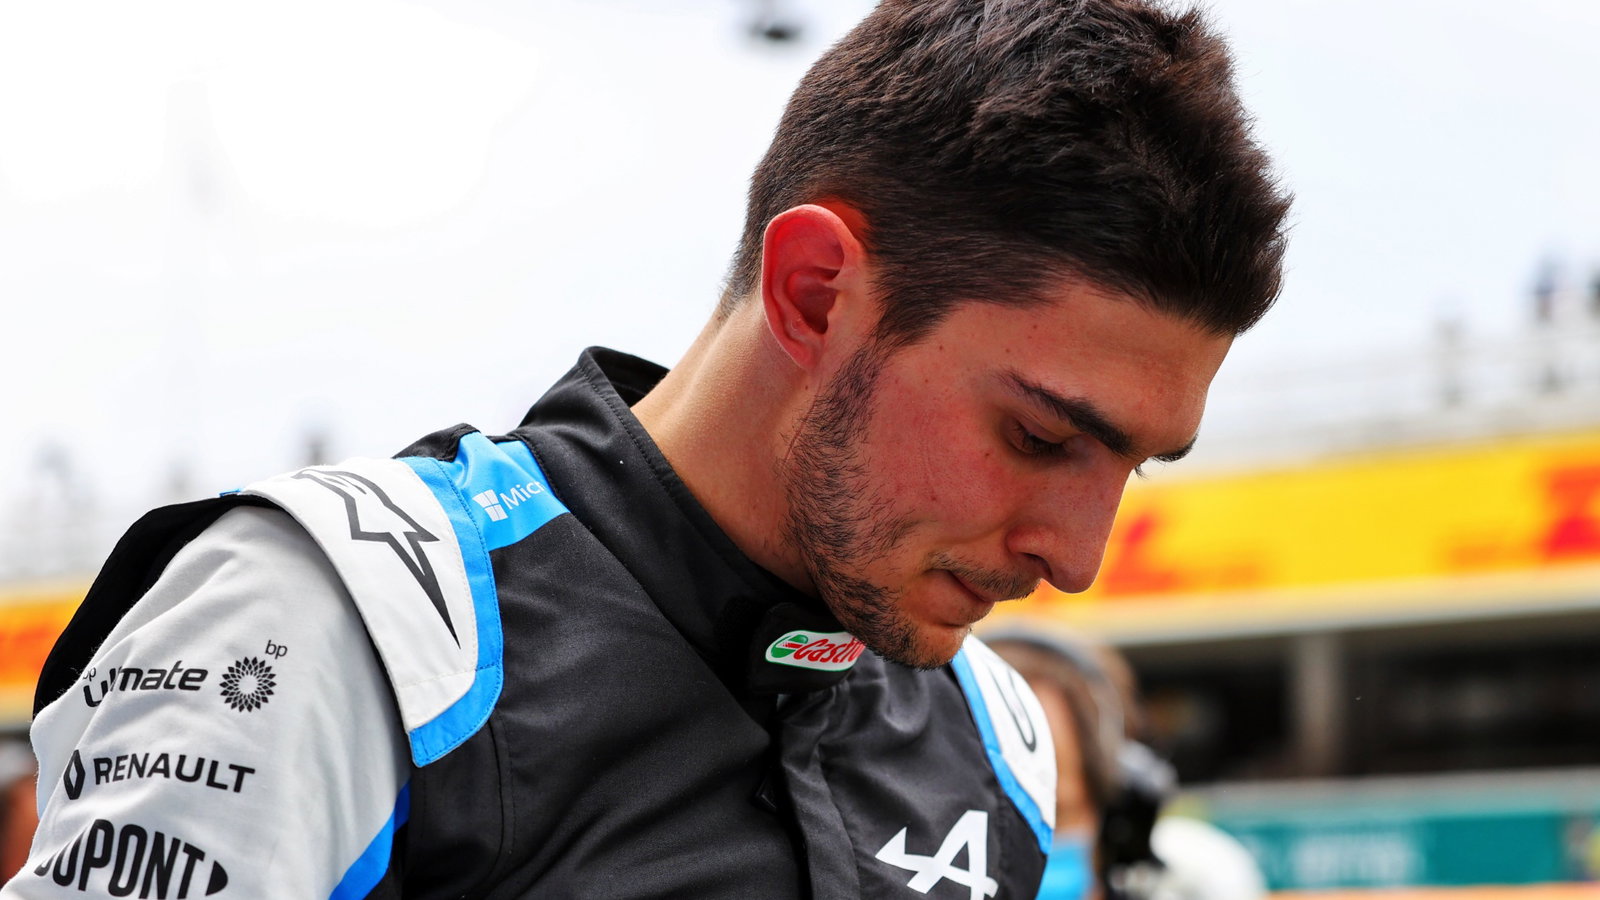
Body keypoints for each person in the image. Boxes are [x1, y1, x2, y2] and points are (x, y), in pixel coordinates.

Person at [4, 0, 1289, 896]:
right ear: (815, 294)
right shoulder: (349, 627)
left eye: (1133, 466)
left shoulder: (997, 736)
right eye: (1041, 435)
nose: (1076, 557)